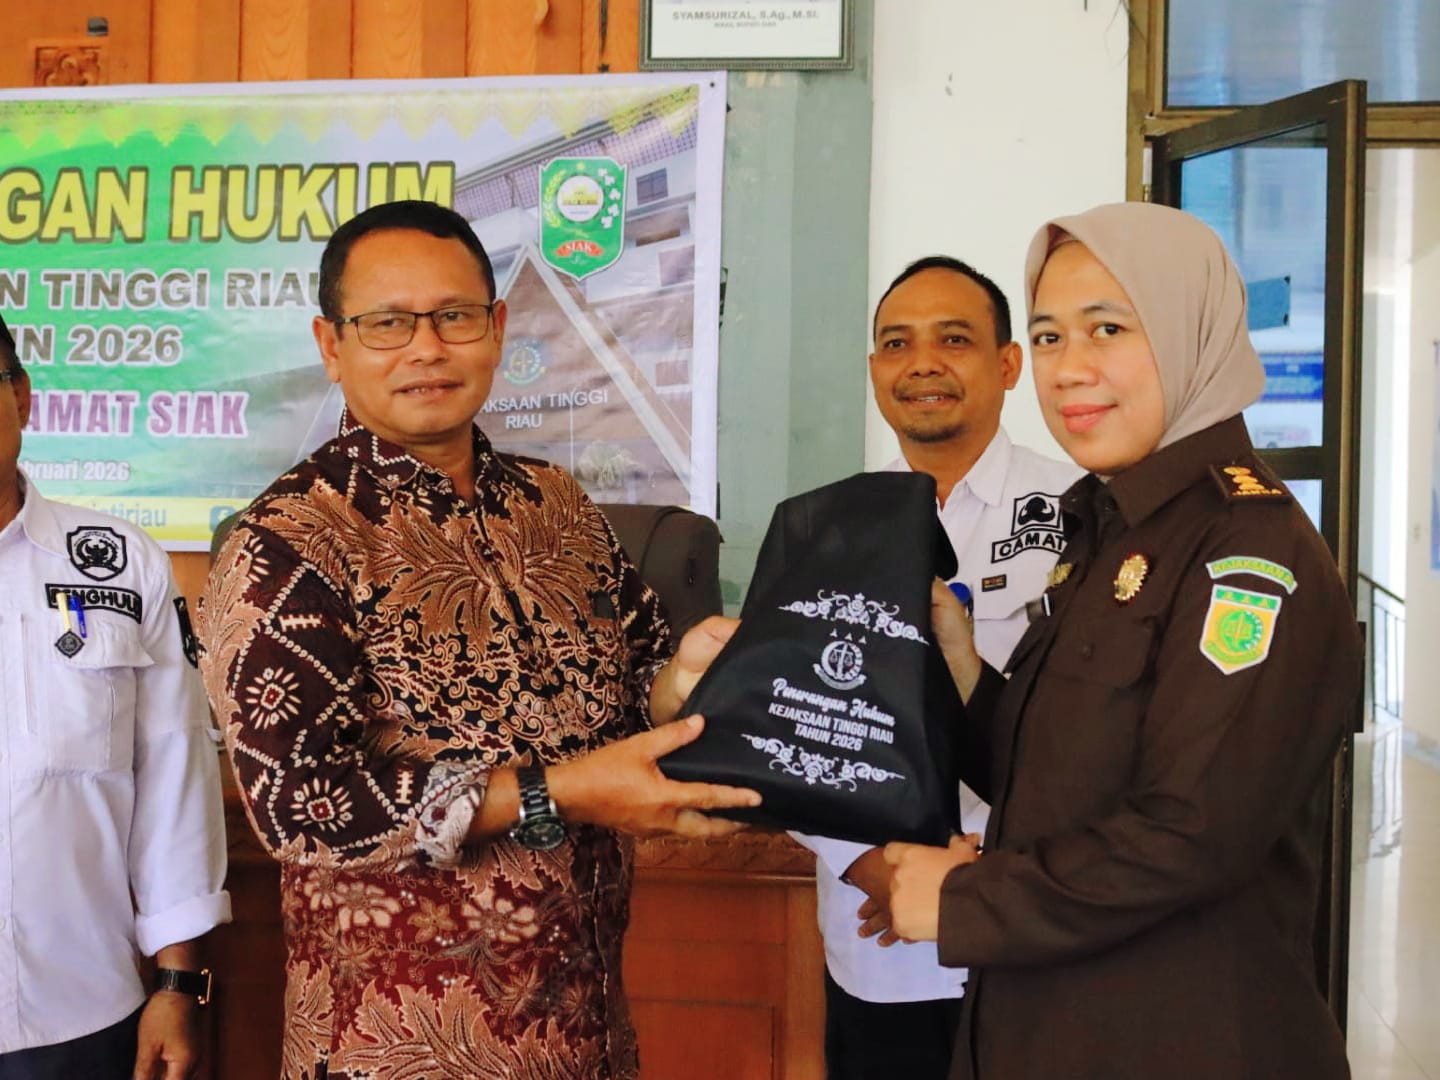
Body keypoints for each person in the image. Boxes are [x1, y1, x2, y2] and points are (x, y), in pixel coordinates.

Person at [196, 200, 759, 1080]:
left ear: (496, 329)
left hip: (587, 1035)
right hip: (396, 1048)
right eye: (387, 323)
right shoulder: (290, 542)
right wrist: (555, 792)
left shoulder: (557, 504)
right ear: (331, 345)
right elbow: (300, 805)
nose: (426, 348)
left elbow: (634, 682)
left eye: (453, 316)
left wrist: (681, 679)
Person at [882, 202, 1361, 1080]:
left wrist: (965, 900)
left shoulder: (1247, 549)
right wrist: (961, 666)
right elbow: (1057, 772)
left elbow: (1192, 833)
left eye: (1108, 328)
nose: (1070, 368)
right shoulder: (1110, 528)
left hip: (1176, 1040)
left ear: (1189, 332)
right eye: (1050, 337)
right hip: (1051, 1024)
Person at [790, 258, 1078, 1079]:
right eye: (896, 343)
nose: (922, 363)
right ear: (874, 368)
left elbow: (1100, 735)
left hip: (1037, 933)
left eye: (954, 339)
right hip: (882, 947)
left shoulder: (1082, 511)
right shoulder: (828, 526)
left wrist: (976, 880)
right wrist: (873, 867)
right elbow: (793, 730)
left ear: (1008, 364)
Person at [0, 314, 231, 1080]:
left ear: (22, 395)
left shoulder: (119, 564)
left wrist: (178, 984)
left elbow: (175, 781)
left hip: (82, 1011)